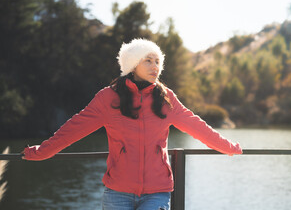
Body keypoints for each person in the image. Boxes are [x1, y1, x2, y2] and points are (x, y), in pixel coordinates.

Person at [22, 38, 243, 210]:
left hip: (157, 192)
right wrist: (43, 151)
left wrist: (228, 147)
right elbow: (74, 128)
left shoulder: (166, 98)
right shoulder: (108, 98)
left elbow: (197, 126)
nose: (155, 66)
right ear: (132, 64)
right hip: (118, 192)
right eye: (148, 60)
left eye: (157, 61)